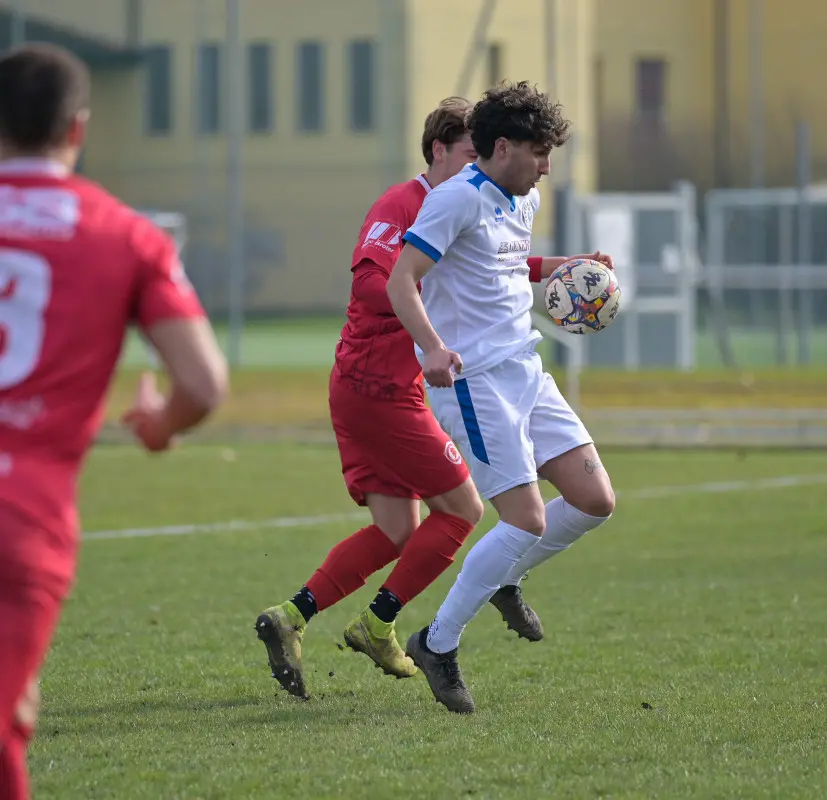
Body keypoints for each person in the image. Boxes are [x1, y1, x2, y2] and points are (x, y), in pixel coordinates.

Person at [253, 97, 572, 700]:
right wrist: (428, 330)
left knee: (399, 529)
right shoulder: (405, 203)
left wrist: (553, 267)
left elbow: (489, 266)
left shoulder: (473, 205)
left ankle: (290, 617)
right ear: (438, 152)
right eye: (469, 153)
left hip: (372, 388)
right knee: (463, 511)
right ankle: (379, 626)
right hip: (380, 387)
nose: (479, 164)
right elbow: (376, 278)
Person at [0, 44, 228, 798]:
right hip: (23, 516)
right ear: (80, 127)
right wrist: (161, 423)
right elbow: (202, 382)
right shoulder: (126, 234)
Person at [387, 81, 617, 714]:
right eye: (540, 152)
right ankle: (438, 642)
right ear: (504, 146)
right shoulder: (453, 200)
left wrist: (567, 263)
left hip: (526, 371)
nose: (547, 166)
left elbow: (504, 267)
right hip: (475, 383)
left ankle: (503, 575)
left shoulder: (524, 196)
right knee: (523, 519)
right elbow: (401, 282)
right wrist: (431, 347)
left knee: (595, 500)